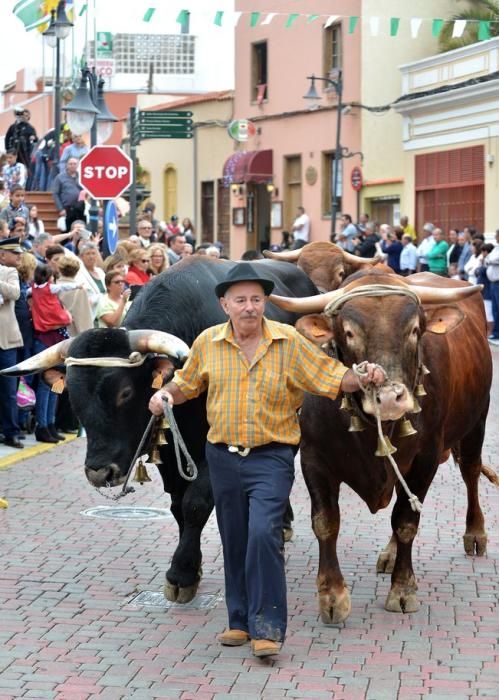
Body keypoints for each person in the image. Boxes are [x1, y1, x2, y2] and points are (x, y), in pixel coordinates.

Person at [148, 262, 385, 657]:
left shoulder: (288, 340)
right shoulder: (208, 342)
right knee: (235, 539)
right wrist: (165, 395)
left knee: (263, 536)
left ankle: (268, 627)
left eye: (256, 299)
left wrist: (362, 375)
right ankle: (238, 621)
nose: (249, 307)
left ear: (264, 304)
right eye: (240, 300)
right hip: (221, 457)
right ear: (225, 304)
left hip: (271, 457)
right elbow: (188, 384)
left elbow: (329, 377)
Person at [30, 264, 80, 443]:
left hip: (56, 340)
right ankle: (42, 425)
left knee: (56, 383)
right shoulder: (41, 292)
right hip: (46, 340)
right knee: (46, 384)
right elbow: (59, 318)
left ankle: (50, 423)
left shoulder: (42, 292)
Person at [0, 237, 25, 448]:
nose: (19, 256)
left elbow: (15, 293)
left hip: (6, 340)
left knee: (9, 389)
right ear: (2, 254)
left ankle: (11, 431)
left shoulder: (10, 272)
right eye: (14, 253)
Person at [57, 257, 93, 336]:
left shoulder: (54, 287)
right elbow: (83, 318)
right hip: (74, 336)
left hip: (58, 334)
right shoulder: (79, 290)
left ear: (59, 269)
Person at [52, 157, 85, 232]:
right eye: (70, 164)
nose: (73, 165)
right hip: (67, 209)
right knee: (67, 231)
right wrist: (60, 209)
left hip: (81, 208)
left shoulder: (82, 176)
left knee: (82, 231)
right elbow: (55, 194)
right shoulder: (60, 177)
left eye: (74, 164)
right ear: (67, 165)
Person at [5, 107, 37, 179]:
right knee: (12, 168)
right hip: (14, 151)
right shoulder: (13, 127)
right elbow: (7, 138)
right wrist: (8, 150)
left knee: (25, 169)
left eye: (26, 115)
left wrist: (33, 138)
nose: (23, 117)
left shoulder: (30, 128)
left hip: (25, 153)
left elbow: (35, 139)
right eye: (22, 115)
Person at [76, 242, 106, 319]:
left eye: (93, 253)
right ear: (82, 257)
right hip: (91, 315)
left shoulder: (100, 272)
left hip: (105, 311)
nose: (91, 256)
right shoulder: (78, 274)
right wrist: (100, 297)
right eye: (88, 254)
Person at [485, 229, 499, 345]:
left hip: (498, 282)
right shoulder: (496, 248)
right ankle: (496, 332)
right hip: (493, 283)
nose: (495, 237)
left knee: (498, 308)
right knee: (495, 309)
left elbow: (494, 259)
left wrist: (490, 260)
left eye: (496, 236)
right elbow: (487, 258)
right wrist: (489, 259)